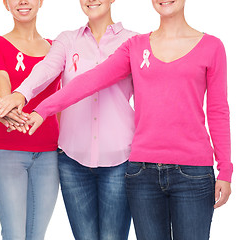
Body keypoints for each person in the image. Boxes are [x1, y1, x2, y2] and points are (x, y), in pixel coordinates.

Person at [21, 0, 232, 239]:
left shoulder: (212, 47)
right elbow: (91, 80)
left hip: (193, 173)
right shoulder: (135, 46)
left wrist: (225, 170)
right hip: (142, 173)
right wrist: (42, 109)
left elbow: (218, 111)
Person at [0, 0, 135, 239]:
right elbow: (46, 68)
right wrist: (21, 93)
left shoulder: (134, 42)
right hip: (73, 162)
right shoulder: (67, 40)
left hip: (120, 159)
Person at [0, 0, 61, 239]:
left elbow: (60, 101)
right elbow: (2, 84)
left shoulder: (56, 48)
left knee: (36, 235)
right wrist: (10, 107)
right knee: (14, 234)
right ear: (6, 4)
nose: (23, 1)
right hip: (7, 152)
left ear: (40, 2)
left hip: (49, 153)